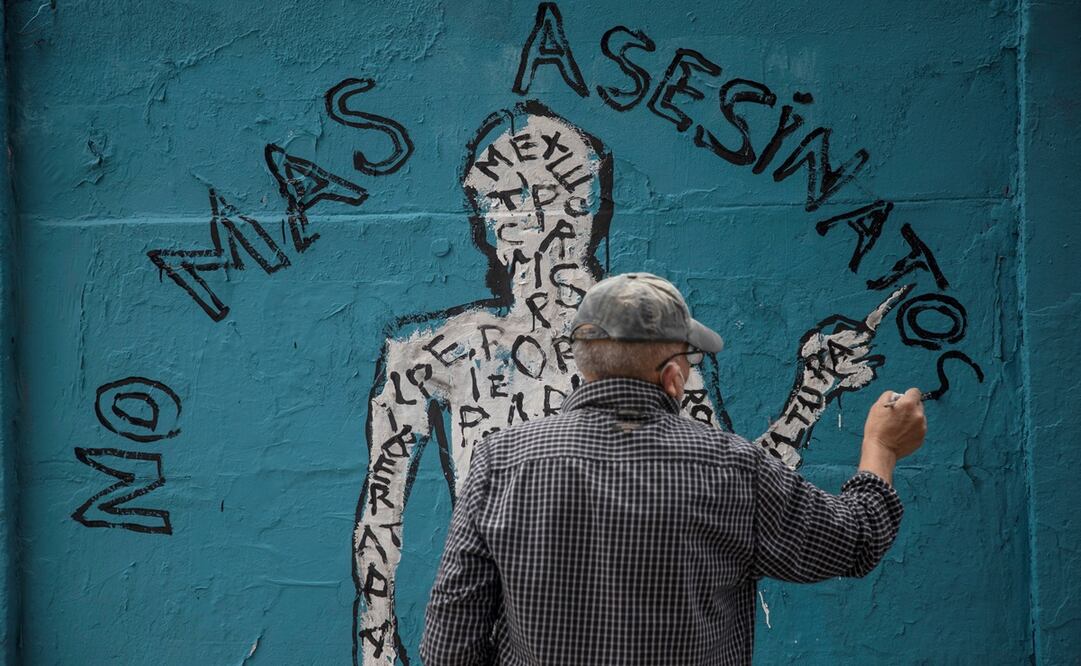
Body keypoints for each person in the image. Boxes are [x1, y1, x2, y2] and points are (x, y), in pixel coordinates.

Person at [419, 272, 926, 665]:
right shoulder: (734, 467)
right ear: (672, 377)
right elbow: (853, 540)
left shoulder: (500, 461)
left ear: (584, 364)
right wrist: (881, 447)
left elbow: (449, 646)